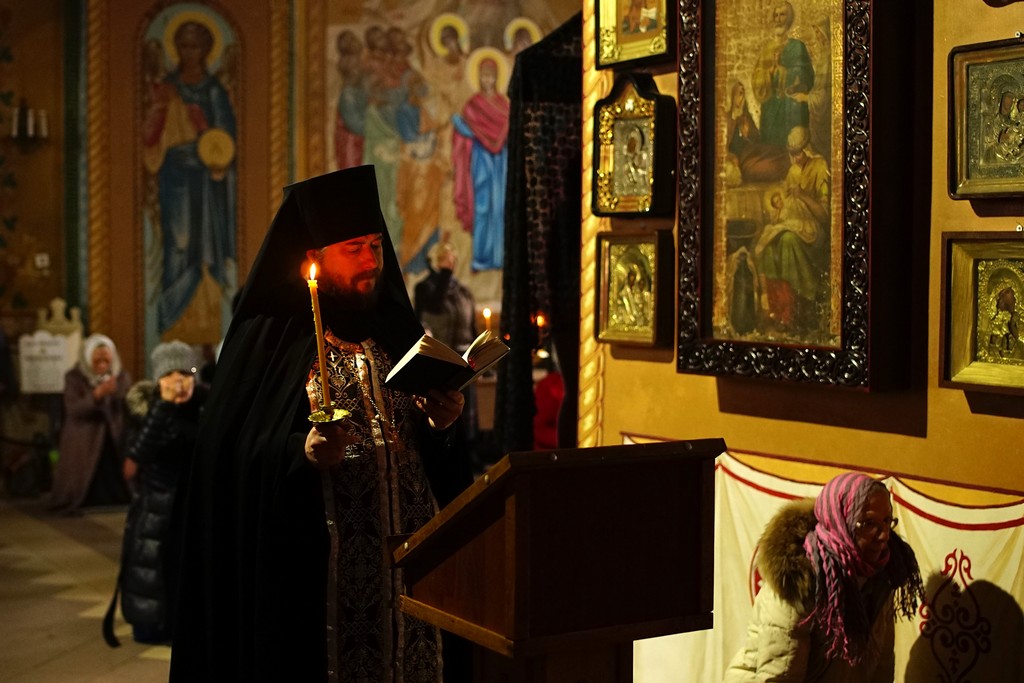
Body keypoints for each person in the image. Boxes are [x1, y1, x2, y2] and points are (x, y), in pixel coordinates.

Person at [170, 165, 473, 682]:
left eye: (376, 246)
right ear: (314, 257)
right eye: (353, 249)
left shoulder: (397, 332)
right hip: (311, 587)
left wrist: (441, 425)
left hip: (412, 580)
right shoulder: (269, 342)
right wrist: (299, 452)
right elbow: (227, 457)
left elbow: (426, 456)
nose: (371, 261)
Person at [724, 472, 924, 682]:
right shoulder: (800, 581)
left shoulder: (881, 576)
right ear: (841, 520)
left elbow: (881, 667)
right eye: (868, 524)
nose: (883, 535)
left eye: (886, 522)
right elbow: (780, 676)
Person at [104, 340, 207, 646]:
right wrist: (163, 407)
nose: (178, 381)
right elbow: (134, 461)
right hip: (156, 504)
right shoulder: (145, 409)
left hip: (194, 505)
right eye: (169, 374)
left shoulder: (205, 406)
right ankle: (150, 624)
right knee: (152, 566)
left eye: (184, 373)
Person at [142, 18, 237, 344]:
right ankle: (172, 324)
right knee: (179, 244)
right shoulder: (166, 88)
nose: (189, 52)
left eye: (195, 45)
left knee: (205, 246)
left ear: (206, 49)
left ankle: (208, 328)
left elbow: (225, 138)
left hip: (207, 183)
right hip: (175, 178)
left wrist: (207, 137)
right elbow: (150, 138)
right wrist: (161, 107)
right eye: (183, 45)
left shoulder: (214, 91)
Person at [48, 334, 132, 513]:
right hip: (84, 437)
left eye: (106, 360)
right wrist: (97, 395)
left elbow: (126, 403)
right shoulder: (74, 378)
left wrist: (115, 392)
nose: (102, 365)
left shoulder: (121, 376)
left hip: (113, 435)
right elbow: (74, 409)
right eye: (97, 361)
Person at [452, 53, 510, 271]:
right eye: (484, 75)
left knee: (500, 206)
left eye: (491, 75)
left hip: (501, 162)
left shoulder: (504, 105)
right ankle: (481, 258)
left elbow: (509, 131)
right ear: (478, 77)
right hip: (481, 161)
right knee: (483, 207)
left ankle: (500, 257)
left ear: (497, 77)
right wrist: (460, 126)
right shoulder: (472, 105)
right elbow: (467, 133)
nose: (487, 79)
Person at [751, 1, 815, 149]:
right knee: (771, 148)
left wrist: (785, 73)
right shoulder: (767, 49)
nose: (778, 19)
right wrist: (768, 73)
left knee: (791, 148)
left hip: (790, 107)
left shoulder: (797, 47)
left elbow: (807, 76)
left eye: (782, 15)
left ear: (789, 18)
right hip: (770, 107)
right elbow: (756, 76)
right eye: (776, 15)